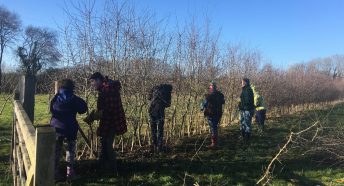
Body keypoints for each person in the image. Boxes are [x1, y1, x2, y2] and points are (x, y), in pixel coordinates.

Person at [84, 72, 127, 172]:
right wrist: (96, 114)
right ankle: (103, 166)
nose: (92, 84)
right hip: (108, 120)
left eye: (93, 81)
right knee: (103, 143)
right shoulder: (105, 89)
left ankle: (113, 170)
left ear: (99, 80)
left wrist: (94, 116)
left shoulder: (108, 89)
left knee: (108, 145)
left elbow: (109, 109)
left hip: (112, 121)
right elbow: (105, 107)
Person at [50, 79, 88, 181]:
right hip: (70, 128)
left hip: (56, 129)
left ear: (60, 87)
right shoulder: (74, 99)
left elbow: (51, 109)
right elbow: (83, 108)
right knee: (70, 152)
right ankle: (70, 174)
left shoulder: (55, 98)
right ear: (72, 87)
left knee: (56, 151)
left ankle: (54, 173)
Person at [148, 84, 173, 152]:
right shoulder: (168, 91)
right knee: (160, 129)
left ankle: (154, 145)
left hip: (151, 110)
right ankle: (159, 146)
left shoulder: (154, 87)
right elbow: (168, 104)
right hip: (160, 112)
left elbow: (149, 98)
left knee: (153, 129)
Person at [201, 81, 225, 148]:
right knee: (214, 127)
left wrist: (202, 108)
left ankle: (214, 143)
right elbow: (223, 102)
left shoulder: (208, 95)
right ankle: (215, 142)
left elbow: (203, 104)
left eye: (210, 86)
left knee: (213, 128)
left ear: (211, 87)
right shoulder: (220, 95)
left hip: (211, 114)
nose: (210, 87)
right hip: (218, 113)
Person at [238, 78, 254, 148]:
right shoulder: (245, 90)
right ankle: (244, 138)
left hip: (246, 110)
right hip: (244, 109)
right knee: (243, 124)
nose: (241, 84)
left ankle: (246, 140)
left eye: (242, 82)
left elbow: (247, 101)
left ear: (245, 83)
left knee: (247, 125)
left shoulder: (247, 90)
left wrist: (240, 104)